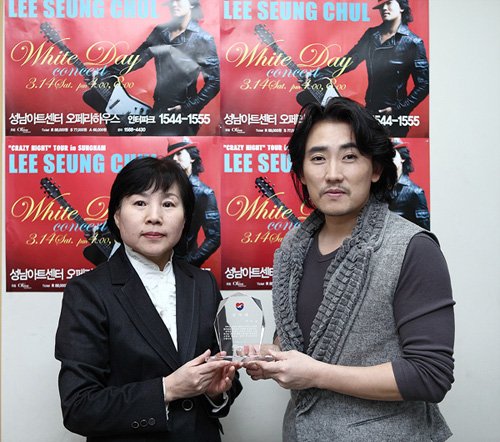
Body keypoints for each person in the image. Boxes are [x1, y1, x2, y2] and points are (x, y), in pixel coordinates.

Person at [246, 97, 454, 441]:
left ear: (375, 169)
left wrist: (315, 373)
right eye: (318, 158)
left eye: (350, 156)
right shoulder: (292, 248)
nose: (333, 173)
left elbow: (430, 375)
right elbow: (304, 339)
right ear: (302, 173)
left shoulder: (412, 247)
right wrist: (276, 355)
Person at [55, 157, 241, 442]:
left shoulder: (203, 284)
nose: (154, 217)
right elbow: (79, 407)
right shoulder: (87, 292)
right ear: (117, 216)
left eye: (168, 204)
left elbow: (226, 371)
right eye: (140, 203)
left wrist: (216, 393)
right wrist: (167, 389)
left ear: (185, 219)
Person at [309, 0, 429, 137]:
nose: (384, 8)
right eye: (381, 5)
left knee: (390, 150)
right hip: (370, 111)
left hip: (394, 116)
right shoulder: (372, 35)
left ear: (402, 7)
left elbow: (424, 84)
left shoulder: (413, 42)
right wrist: (316, 75)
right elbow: (350, 61)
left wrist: (397, 109)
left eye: (389, 3)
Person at [103, 0, 220, 135]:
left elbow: (214, 81)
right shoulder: (160, 31)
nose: (174, 5)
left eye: (179, 1)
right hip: (158, 108)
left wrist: (187, 108)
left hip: (182, 114)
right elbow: (137, 59)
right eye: (172, 1)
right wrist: (106, 73)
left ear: (191, 3)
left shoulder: (203, 38)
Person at [167, 137, 221, 266]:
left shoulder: (204, 193)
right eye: (171, 156)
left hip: (184, 264)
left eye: (179, 154)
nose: (174, 159)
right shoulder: (163, 188)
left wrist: (189, 263)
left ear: (192, 157)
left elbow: (214, 237)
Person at [389, 139, 430, 229]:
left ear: (402, 158)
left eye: (392, 155)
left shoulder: (415, 192)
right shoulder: (378, 190)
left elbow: (424, 229)